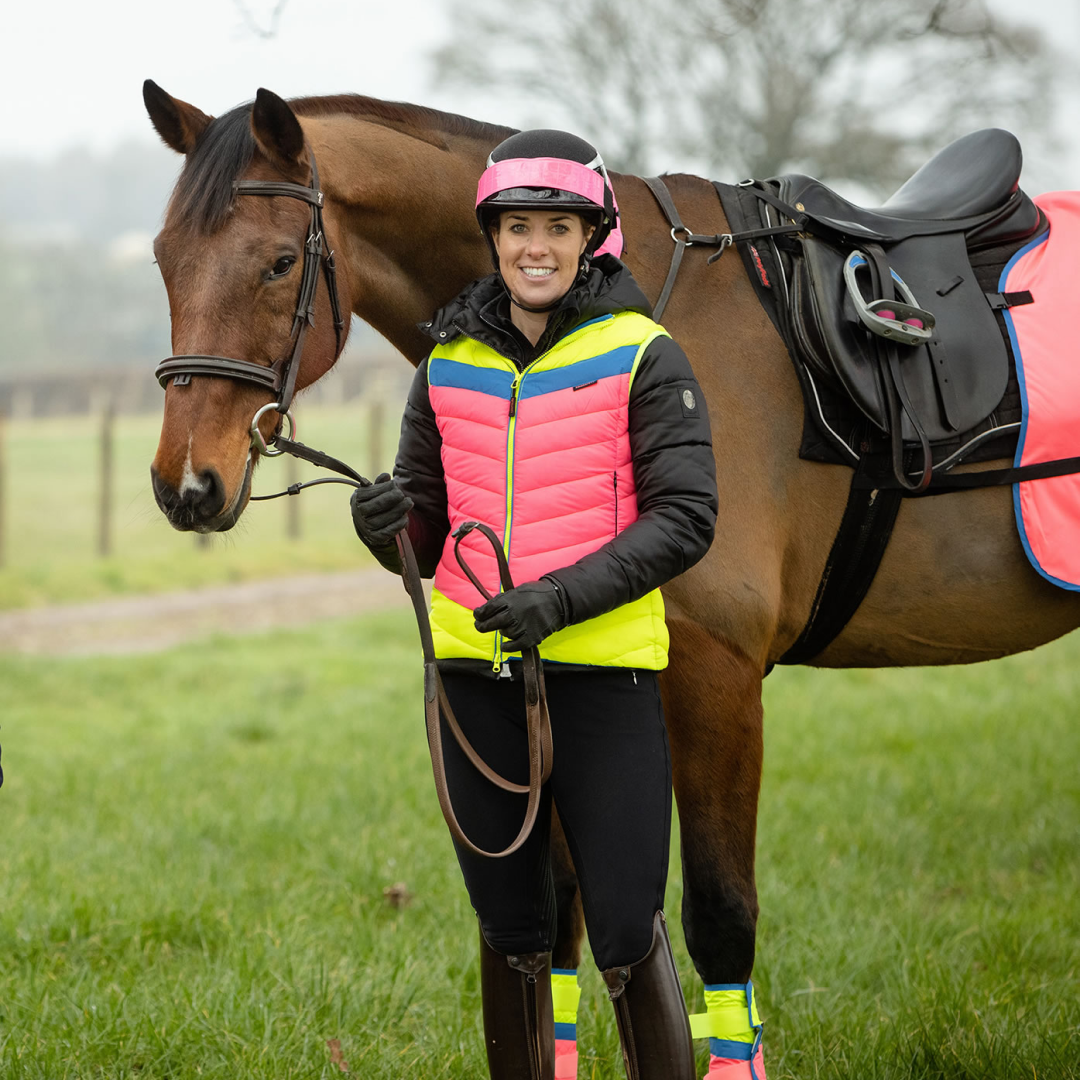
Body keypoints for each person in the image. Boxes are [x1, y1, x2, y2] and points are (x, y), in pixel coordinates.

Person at [350, 129, 718, 1080]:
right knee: (510, 925)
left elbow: (686, 520)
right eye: (518, 227)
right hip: (472, 681)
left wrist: (558, 599)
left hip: (605, 678)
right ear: (494, 237)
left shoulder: (647, 355)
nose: (536, 246)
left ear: (593, 235)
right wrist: (389, 522)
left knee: (627, 927)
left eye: (558, 226)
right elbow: (428, 528)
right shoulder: (445, 363)